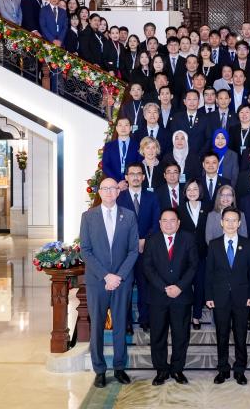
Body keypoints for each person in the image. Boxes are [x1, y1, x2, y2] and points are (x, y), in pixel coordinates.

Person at [80, 177, 139, 388]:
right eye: (104, 188)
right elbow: (85, 250)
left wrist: (119, 276)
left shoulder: (129, 216)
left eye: (112, 188)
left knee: (120, 325)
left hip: (122, 281)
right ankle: (99, 369)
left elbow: (133, 250)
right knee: (97, 325)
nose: (108, 192)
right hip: (98, 281)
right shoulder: (88, 217)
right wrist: (106, 276)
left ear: (118, 192)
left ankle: (120, 367)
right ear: (99, 192)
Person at [144, 208, 199, 386]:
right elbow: (148, 268)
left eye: (172, 220)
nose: (168, 224)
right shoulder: (152, 240)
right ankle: (161, 370)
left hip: (181, 296)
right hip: (158, 296)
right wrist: (164, 287)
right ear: (159, 223)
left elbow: (193, 266)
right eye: (164, 221)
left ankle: (177, 370)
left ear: (178, 223)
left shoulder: (188, 239)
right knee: (158, 335)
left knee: (180, 335)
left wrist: (180, 287)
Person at [205, 206, 250, 385]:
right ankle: (223, 369)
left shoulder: (249, 244)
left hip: (242, 297)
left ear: (239, 223)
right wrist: (209, 295)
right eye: (227, 220)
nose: (230, 223)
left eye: (234, 220)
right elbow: (209, 273)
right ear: (221, 222)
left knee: (240, 335)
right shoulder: (214, 244)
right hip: (220, 298)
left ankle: (239, 370)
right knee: (221, 335)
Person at [117, 163, 161, 333]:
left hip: (146, 249)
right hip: (125, 251)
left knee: (145, 286)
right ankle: (127, 322)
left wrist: (144, 240)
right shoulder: (119, 198)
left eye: (138, 174)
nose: (135, 177)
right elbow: (117, 225)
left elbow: (156, 222)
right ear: (126, 177)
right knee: (126, 287)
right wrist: (132, 242)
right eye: (132, 174)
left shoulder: (152, 197)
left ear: (143, 177)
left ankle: (145, 319)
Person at [176, 180, 208, 330]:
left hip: (203, 253)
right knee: (186, 285)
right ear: (185, 192)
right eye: (189, 189)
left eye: (195, 189)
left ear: (200, 191)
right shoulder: (180, 209)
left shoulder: (207, 207)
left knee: (200, 285)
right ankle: (184, 315)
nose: (192, 192)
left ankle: (196, 316)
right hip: (185, 255)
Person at [102, 118, 141, 185]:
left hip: (132, 183)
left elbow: (139, 164)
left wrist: (128, 181)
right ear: (116, 128)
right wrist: (117, 182)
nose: (123, 128)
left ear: (131, 128)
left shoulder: (137, 145)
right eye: (120, 125)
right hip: (114, 184)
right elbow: (105, 166)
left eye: (126, 125)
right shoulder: (108, 146)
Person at [170, 90, 208, 154]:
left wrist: (201, 154)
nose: (192, 102)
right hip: (180, 155)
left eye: (195, 99)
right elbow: (173, 136)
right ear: (184, 101)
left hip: (200, 156)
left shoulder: (205, 118)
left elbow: (208, 139)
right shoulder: (177, 117)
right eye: (189, 99)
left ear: (199, 101)